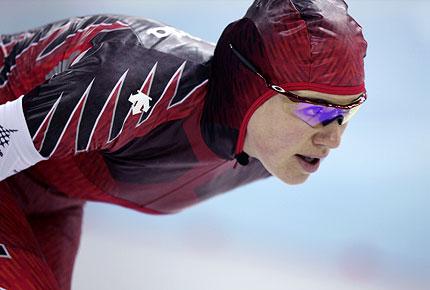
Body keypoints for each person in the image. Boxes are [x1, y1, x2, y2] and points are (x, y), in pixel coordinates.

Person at [0, 0, 367, 289]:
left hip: (52, 199)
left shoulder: (272, 152)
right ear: (253, 89)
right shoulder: (138, 80)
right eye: (316, 111)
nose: (333, 138)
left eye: (347, 114)